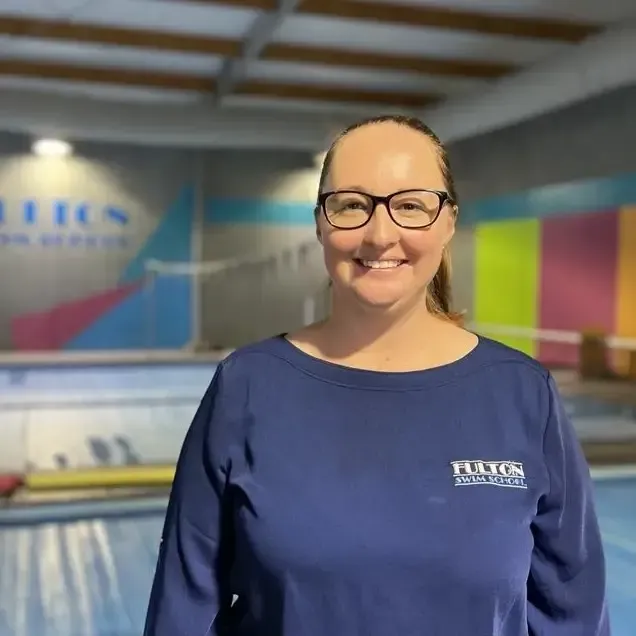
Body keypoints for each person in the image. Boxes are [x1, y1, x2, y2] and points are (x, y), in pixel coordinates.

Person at [143, 115, 610, 635]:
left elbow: (574, 616)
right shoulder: (246, 386)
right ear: (321, 222)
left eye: (411, 205)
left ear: (448, 221)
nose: (381, 233)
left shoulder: (523, 393)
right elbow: (182, 611)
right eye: (352, 205)